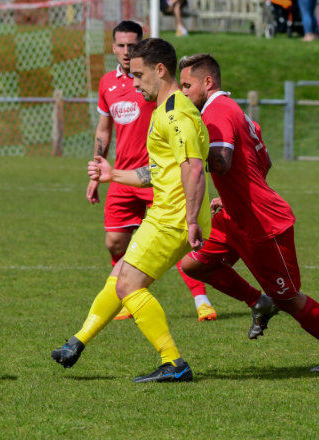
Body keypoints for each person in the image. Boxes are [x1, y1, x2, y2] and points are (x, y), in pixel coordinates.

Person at [177, 53, 319, 372]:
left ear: (208, 82)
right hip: (235, 217)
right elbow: (264, 162)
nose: (183, 92)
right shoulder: (235, 111)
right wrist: (231, 196)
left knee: (288, 297)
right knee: (193, 265)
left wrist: (187, 157)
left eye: (187, 85)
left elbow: (220, 162)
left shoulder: (217, 111)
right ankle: (259, 301)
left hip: (262, 222)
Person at [52, 38, 212, 383]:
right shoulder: (164, 110)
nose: (134, 83)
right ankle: (77, 342)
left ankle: (174, 363)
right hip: (165, 214)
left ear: (160, 70)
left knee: (128, 285)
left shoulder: (176, 113)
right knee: (120, 276)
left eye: (138, 75)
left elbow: (194, 168)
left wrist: (190, 221)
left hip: (173, 217)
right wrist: (113, 175)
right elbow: (159, 171)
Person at [89, 20, 216, 322]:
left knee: (174, 237)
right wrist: (97, 172)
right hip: (124, 173)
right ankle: (127, 295)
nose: (126, 51)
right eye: (121, 45)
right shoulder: (108, 84)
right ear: (112, 48)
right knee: (114, 242)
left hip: (159, 176)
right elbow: (104, 129)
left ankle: (200, 298)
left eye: (132, 46)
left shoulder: (154, 84)